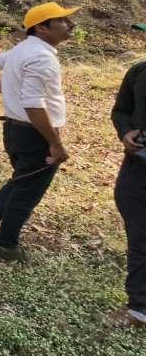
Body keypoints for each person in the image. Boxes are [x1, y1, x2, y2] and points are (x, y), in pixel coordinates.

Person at [0, 2, 79, 262]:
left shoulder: (24, 49)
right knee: (28, 191)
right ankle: (6, 244)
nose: (69, 24)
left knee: (22, 180)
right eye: (62, 20)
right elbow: (32, 103)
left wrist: (10, 94)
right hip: (34, 134)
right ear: (42, 27)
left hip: (16, 129)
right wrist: (56, 143)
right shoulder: (41, 57)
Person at [110, 25, 146, 328]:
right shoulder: (138, 71)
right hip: (138, 164)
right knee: (139, 231)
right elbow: (121, 110)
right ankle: (139, 307)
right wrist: (126, 131)